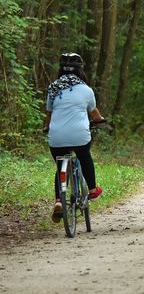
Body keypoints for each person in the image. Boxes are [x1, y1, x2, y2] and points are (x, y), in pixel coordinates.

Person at [43, 53, 104, 223]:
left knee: (60, 164)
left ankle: (58, 201)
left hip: (56, 137)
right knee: (84, 157)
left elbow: (49, 114)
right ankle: (92, 189)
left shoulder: (53, 88)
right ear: (80, 71)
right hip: (79, 136)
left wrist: (47, 127)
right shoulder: (86, 90)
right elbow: (94, 112)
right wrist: (99, 120)